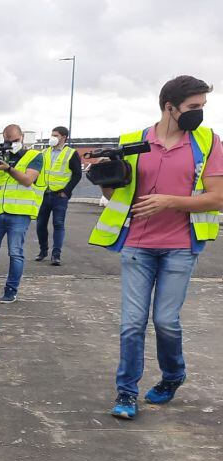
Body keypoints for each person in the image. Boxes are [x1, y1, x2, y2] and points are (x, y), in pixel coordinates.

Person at [88, 75, 223, 420]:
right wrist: (105, 177)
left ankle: (172, 375)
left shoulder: (207, 142)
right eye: (194, 107)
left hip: (180, 246)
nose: (200, 114)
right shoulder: (133, 142)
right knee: (132, 323)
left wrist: (168, 202)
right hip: (138, 245)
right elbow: (115, 194)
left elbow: (217, 198)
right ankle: (126, 392)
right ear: (170, 107)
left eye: (203, 107)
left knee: (165, 321)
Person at [0, 124, 43, 303]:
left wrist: (8, 169)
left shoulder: (34, 156)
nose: (11, 144)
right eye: (8, 141)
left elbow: (28, 180)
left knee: (15, 252)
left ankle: (11, 291)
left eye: (15, 140)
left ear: (22, 137)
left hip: (19, 213)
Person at [34, 126, 82, 266]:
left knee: (58, 224)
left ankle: (56, 255)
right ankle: (43, 251)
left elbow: (77, 174)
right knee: (40, 224)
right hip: (44, 194)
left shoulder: (71, 153)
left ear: (64, 137)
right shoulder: (44, 152)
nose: (52, 137)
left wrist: (66, 191)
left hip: (59, 196)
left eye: (55, 135)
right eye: (52, 134)